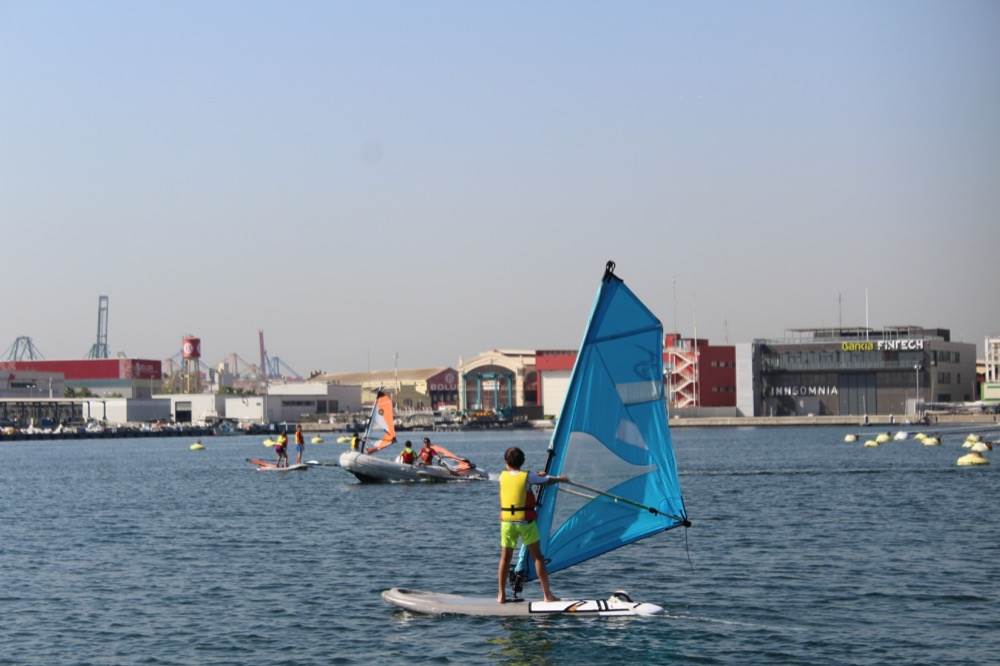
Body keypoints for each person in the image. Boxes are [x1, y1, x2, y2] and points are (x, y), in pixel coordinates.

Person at [497, 446, 567, 604]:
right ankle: (547, 595)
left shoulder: (502, 476)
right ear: (522, 462)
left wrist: (537, 475)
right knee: (538, 558)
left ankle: (501, 595)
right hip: (526, 523)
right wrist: (560, 479)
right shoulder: (528, 476)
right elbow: (547, 481)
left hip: (507, 523)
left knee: (505, 558)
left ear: (505, 461)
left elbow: (519, 477)